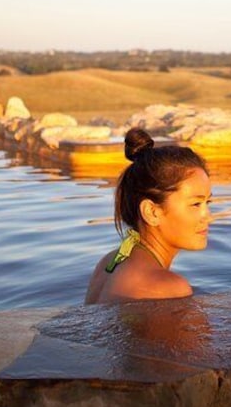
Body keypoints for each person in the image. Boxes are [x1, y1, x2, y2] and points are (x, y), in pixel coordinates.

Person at [85, 128, 213, 304]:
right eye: (196, 204)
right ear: (152, 212)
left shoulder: (110, 263)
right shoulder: (168, 288)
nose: (208, 217)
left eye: (208, 203)